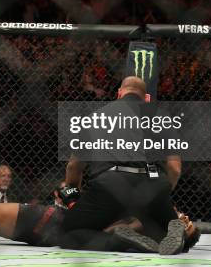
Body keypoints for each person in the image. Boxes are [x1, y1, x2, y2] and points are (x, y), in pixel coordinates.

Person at [61, 76, 185, 255]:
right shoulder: (161, 117)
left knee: (69, 233)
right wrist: (163, 194)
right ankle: (163, 229)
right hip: (152, 182)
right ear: (147, 98)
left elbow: (74, 166)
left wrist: (74, 198)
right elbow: (175, 168)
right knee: (165, 229)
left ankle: (117, 239)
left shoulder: (96, 117)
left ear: (119, 94)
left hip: (111, 184)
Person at [0, 201, 200, 253]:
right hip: (60, 218)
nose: (183, 218)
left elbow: (113, 230)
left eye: (186, 225)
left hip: (58, 228)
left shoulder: (149, 234)